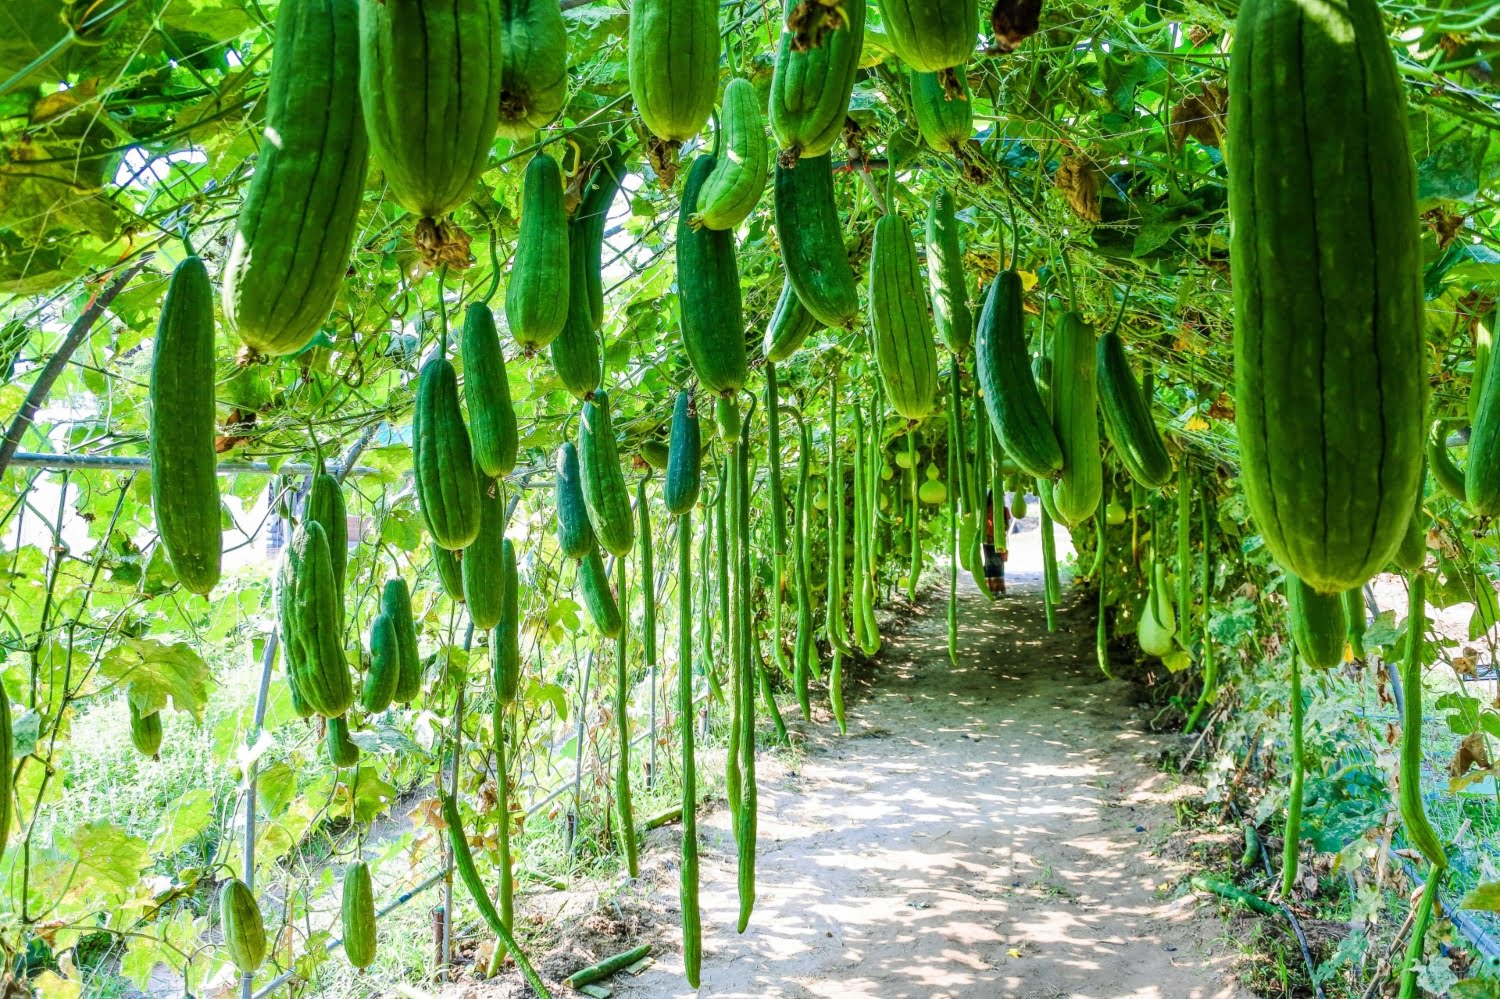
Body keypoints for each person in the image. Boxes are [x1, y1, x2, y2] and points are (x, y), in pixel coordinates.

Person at [982, 488, 1009, 595]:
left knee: (998, 565)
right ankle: (992, 589)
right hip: (989, 541)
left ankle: (999, 589)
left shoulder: (1004, 510)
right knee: (991, 565)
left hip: (997, 541)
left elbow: (1007, 526)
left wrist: (1001, 527)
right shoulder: (985, 510)